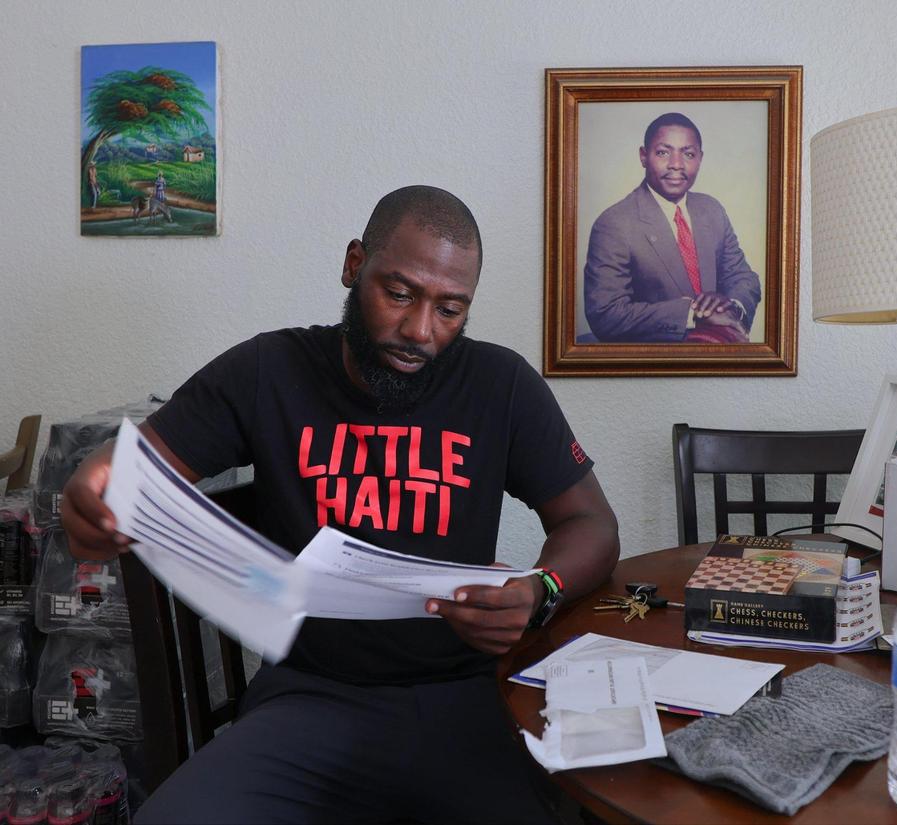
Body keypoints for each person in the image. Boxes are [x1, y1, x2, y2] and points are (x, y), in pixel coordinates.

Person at [60, 185, 620, 824]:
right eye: (399, 294)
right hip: (307, 698)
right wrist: (97, 491)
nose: (420, 331)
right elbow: (127, 473)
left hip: (466, 696)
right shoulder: (269, 370)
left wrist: (541, 588)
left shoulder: (501, 384)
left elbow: (592, 524)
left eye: (450, 309)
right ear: (355, 264)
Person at [583, 112, 762, 343]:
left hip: (715, 350)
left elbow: (742, 277)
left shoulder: (711, 210)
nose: (676, 164)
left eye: (688, 154)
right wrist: (693, 314)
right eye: (663, 153)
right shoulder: (614, 223)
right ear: (643, 156)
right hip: (657, 358)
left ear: (700, 158)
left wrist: (730, 306)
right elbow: (605, 314)